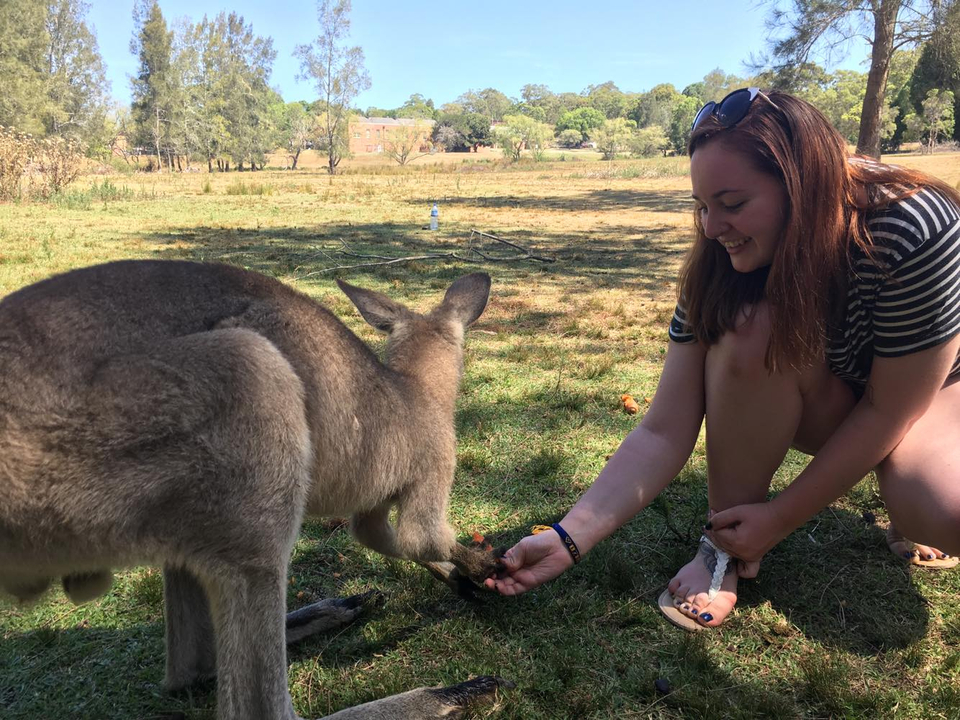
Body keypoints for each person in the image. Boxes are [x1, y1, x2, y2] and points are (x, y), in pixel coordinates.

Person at [485, 88, 960, 630]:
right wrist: (569, 537)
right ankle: (724, 547)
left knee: (942, 510)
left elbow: (889, 409)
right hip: (829, 391)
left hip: (928, 390)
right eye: (703, 206)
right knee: (749, 327)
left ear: (804, 185)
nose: (711, 228)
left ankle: (906, 501)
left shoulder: (909, 223)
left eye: (732, 205)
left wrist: (780, 519)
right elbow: (665, 430)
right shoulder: (718, 256)